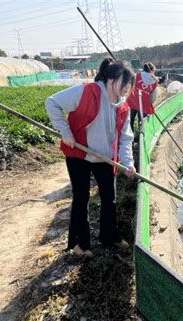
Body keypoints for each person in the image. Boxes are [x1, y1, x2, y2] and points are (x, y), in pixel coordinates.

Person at [45, 58, 136, 256]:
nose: (126, 88)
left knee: (109, 198)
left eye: (129, 84)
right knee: (82, 197)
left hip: (104, 157)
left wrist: (128, 163)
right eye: (124, 82)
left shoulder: (123, 107)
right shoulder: (87, 91)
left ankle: (109, 236)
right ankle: (80, 244)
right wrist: (66, 133)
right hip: (80, 153)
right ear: (111, 80)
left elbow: (125, 139)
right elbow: (52, 103)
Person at [126, 62, 159, 136]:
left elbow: (128, 86)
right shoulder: (154, 81)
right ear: (152, 70)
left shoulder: (136, 75)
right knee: (142, 124)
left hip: (131, 102)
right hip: (144, 105)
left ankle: (130, 141)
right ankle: (141, 140)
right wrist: (148, 102)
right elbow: (153, 97)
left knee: (129, 122)